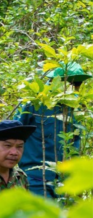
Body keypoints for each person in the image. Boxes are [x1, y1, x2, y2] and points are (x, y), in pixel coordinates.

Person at [17, 62, 86, 203]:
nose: (77, 87)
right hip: (37, 180)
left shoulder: (77, 109)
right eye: (73, 82)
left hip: (67, 184)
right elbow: (12, 134)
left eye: (79, 83)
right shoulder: (34, 104)